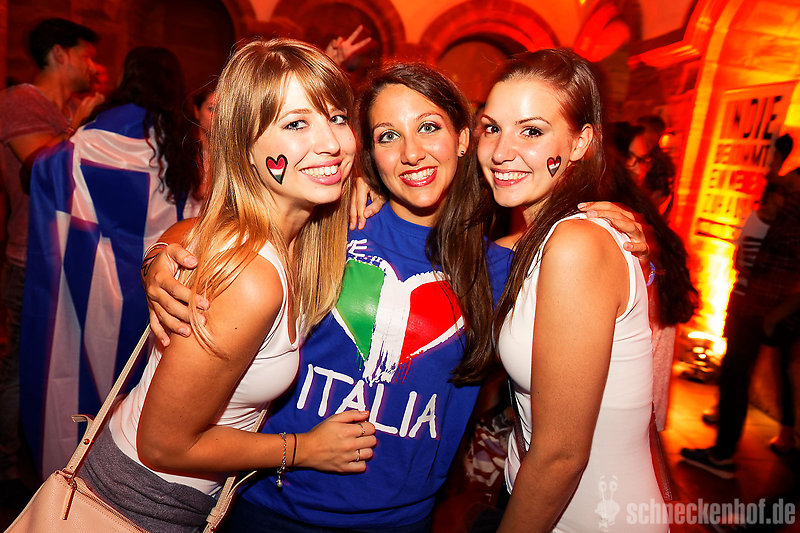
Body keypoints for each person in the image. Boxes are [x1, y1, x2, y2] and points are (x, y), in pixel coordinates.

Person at [144, 60, 649, 531]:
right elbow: (223, 230)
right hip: (272, 505)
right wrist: (162, 255)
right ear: (369, 153)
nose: (411, 153)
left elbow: (580, 262)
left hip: (400, 520)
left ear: (464, 139)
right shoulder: (330, 225)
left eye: (429, 127)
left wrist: (613, 227)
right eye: (388, 136)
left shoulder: (505, 265)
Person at [75, 39, 379, 531]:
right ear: (246, 149)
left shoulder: (283, 236)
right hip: (138, 503)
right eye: (295, 124)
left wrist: (157, 258)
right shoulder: (252, 278)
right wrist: (305, 449)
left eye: (337, 118)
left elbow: (187, 232)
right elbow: (164, 445)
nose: (331, 143)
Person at [480, 49, 666, 532]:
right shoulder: (537, 237)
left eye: (532, 131)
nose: (501, 151)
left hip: (591, 516)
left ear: (582, 142)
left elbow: (562, 455)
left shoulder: (575, 243)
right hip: (544, 500)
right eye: (492, 127)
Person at [19, 46, 203, 478]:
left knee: (82, 378)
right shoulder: (179, 140)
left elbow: (41, 170)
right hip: (158, 285)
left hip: (96, 281)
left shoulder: (97, 132)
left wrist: (74, 128)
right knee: (142, 391)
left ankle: (76, 483)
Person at [0, 17, 101, 495]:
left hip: (67, 255)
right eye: (86, 55)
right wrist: (83, 128)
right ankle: (7, 469)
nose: (92, 65)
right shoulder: (20, 100)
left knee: (55, 365)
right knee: (20, 369)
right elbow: (41, 166)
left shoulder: (68, 109)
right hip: (29, 257)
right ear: (61, 54)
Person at [681, 133, 800, 477]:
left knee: (739, 376)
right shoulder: (782, 211)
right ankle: (724, 451)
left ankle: (724, 456)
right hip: (754, 304)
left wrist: (777, 314)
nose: (783, 193)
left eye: (789, 190)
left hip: (764, 309)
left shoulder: (793, 213)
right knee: (736, 376)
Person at [608, 121, 699, 431]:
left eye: (644, 160)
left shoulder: (637, 216)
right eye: (633, 158)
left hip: (640, 369)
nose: (640, 168)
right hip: (634, 378)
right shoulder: (618, 216)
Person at [192, 85, 218, 198]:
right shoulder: (183, 153)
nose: (218, 116)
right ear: (197, 111)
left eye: (224, 110)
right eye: (212, 109)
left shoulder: (232, 155)